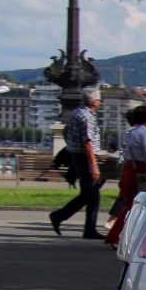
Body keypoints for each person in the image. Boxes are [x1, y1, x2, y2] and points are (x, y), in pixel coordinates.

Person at [105, 105, 146, 247]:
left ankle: (114, 235)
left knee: (129, 206)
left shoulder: (131, 132)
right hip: (143, 170)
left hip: (131, 169)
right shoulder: (145, 134)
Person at [48, 88, 103, 239]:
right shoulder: (87, 117)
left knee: (88, 195)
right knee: (93, 195)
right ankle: (87, 228)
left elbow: (66, 131)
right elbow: (88, 143)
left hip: (77, 156)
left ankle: (60, 217)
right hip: (84, 158)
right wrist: (94, 165)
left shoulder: (77, 112)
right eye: (99, 99)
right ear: (94, 102)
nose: (100, 102)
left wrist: (71, 145)